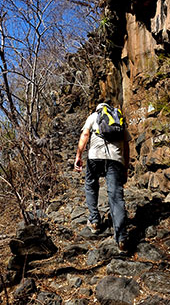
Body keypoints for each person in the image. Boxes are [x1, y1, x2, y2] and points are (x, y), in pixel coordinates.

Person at [74, 101, 131, 252]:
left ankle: (94, 221)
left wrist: (78, 156)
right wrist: (125, 167)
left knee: (91, 184)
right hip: (116, 159)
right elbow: (126, 145)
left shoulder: (93, 116)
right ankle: (122, 238)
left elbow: (85, 134)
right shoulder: (119, 119)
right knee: (116, 196)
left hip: (95, 157)